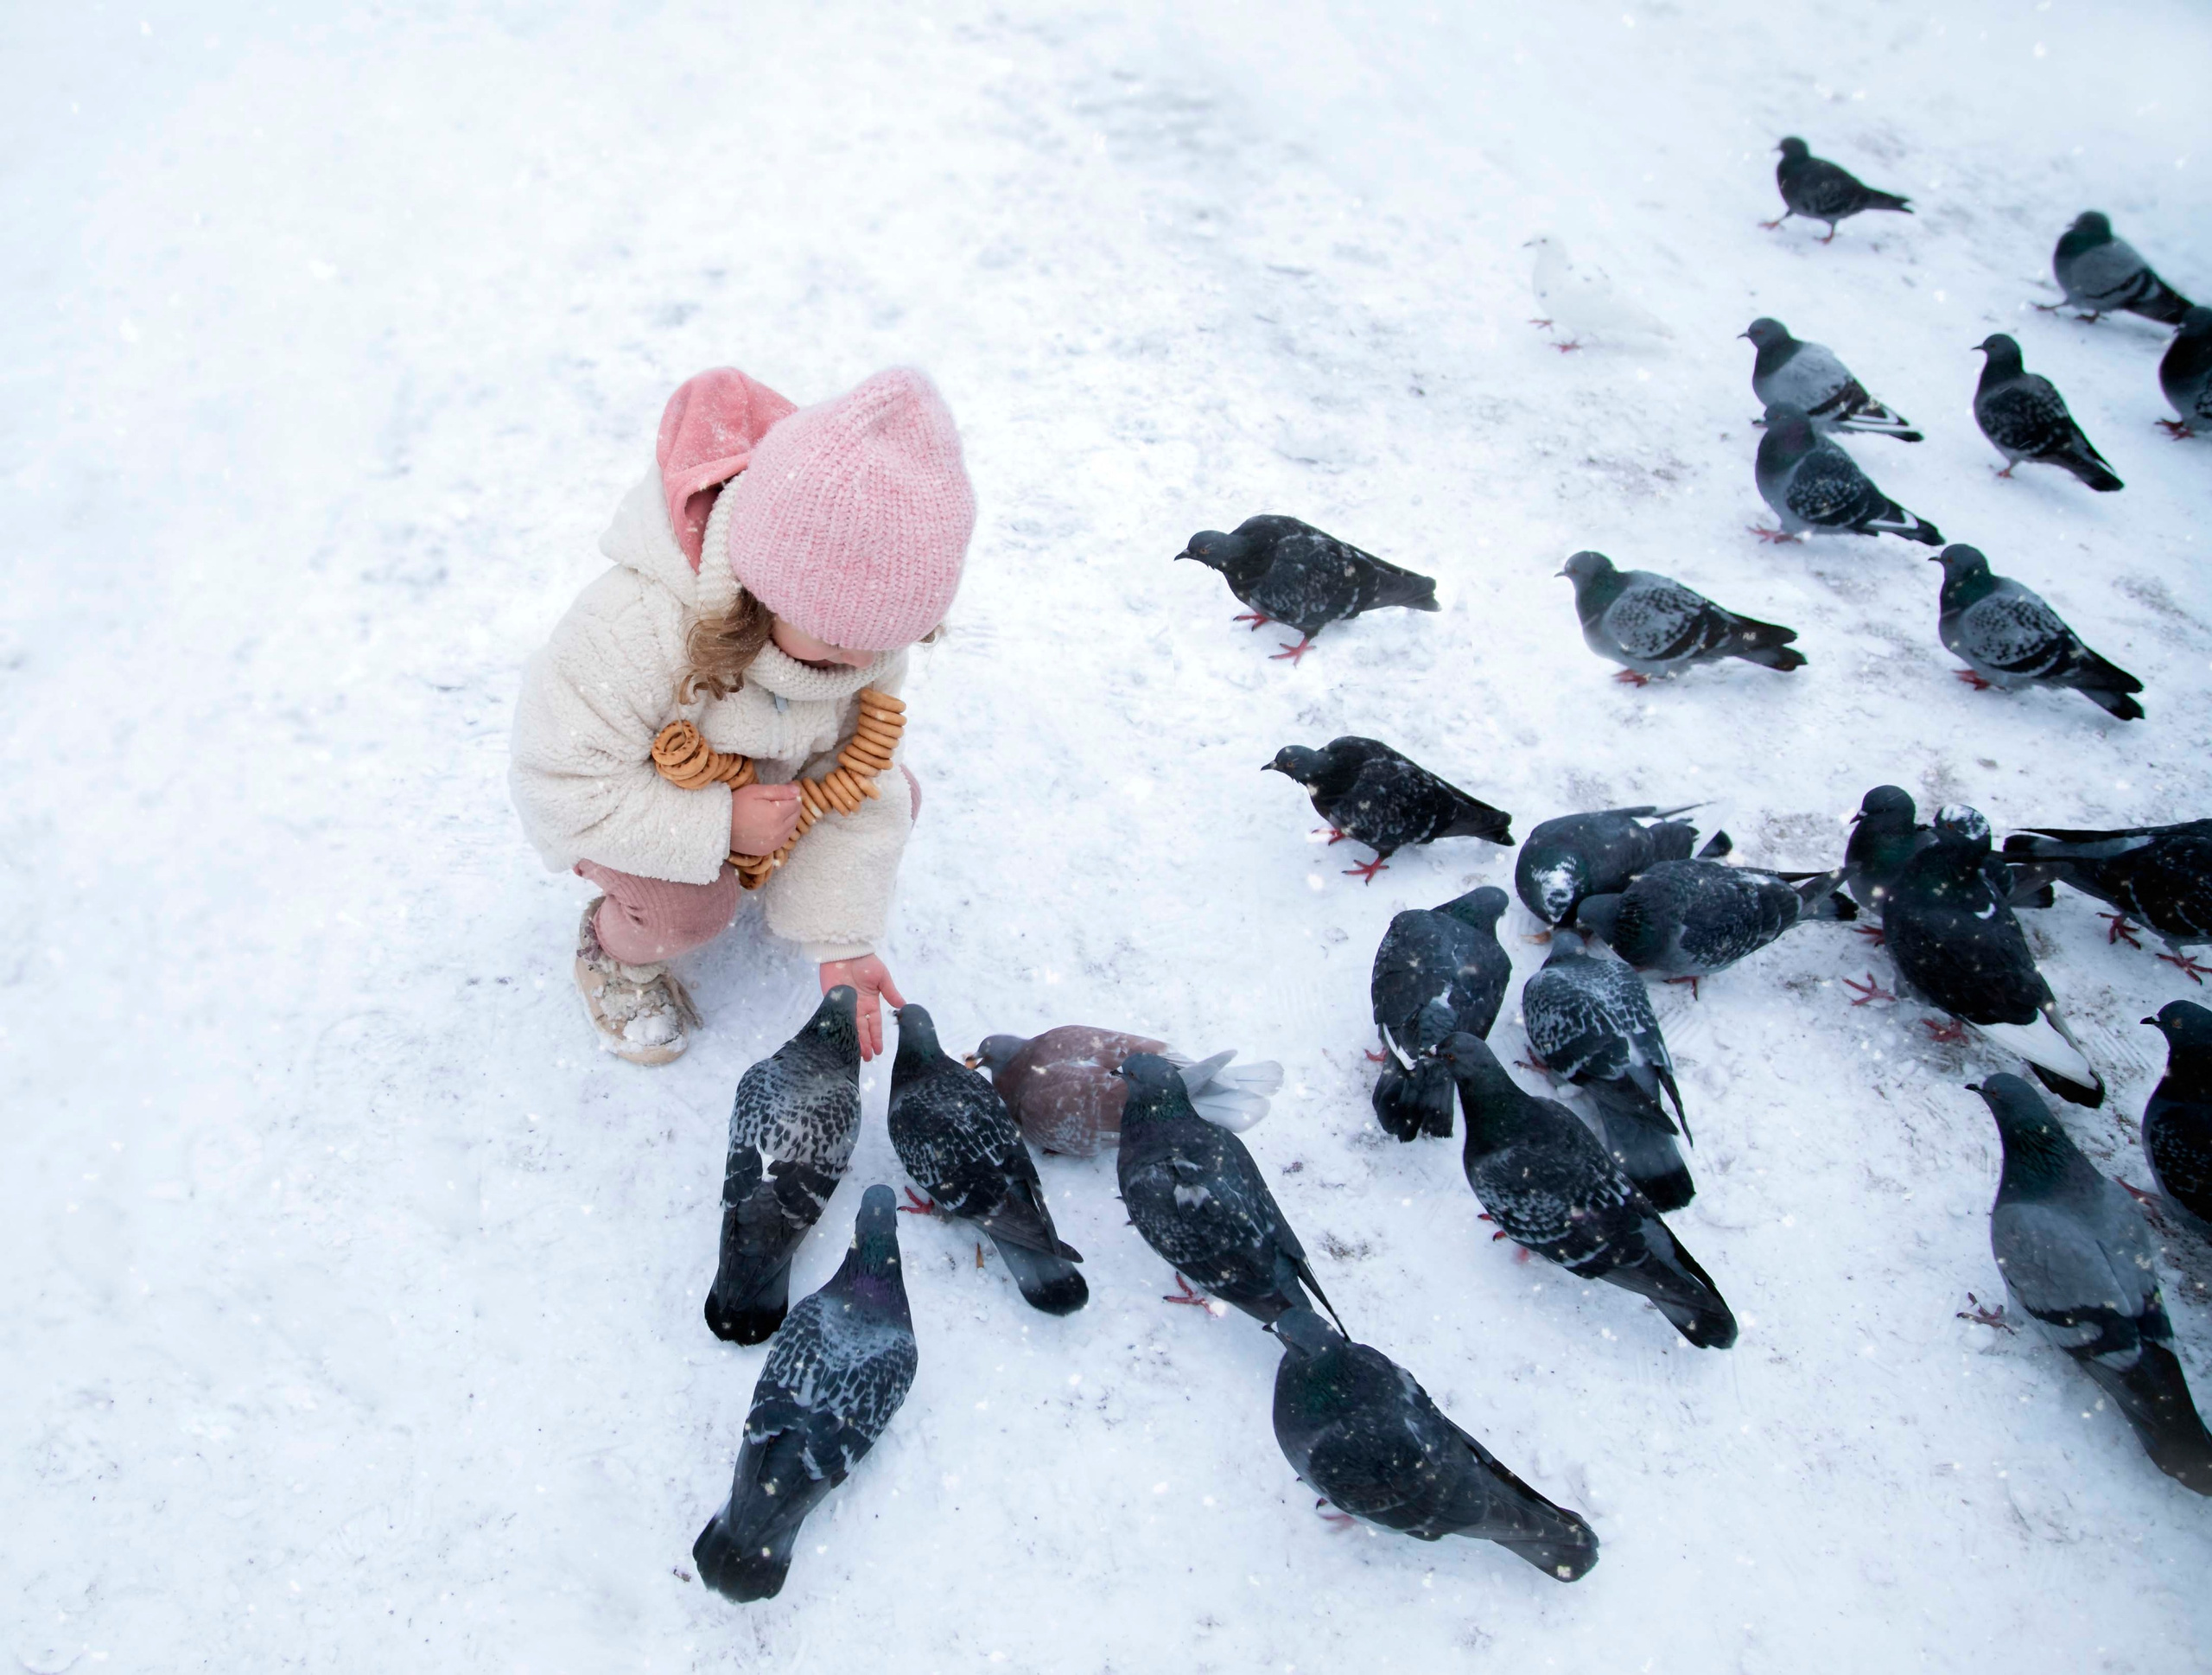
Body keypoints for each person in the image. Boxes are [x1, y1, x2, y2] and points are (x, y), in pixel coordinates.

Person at [509, 365, 972, 1065]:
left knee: (894, 797)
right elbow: (559, 788)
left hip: (764, 795)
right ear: (765, 588)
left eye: (885, 646)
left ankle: (775, 873)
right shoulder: (632, 627)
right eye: (836, 645)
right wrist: (722, 825)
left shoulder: (862, 642)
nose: (859, 666)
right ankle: (614, 951)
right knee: (691, 909)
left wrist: (842, 937)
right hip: (640, 805)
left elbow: (858, 771)